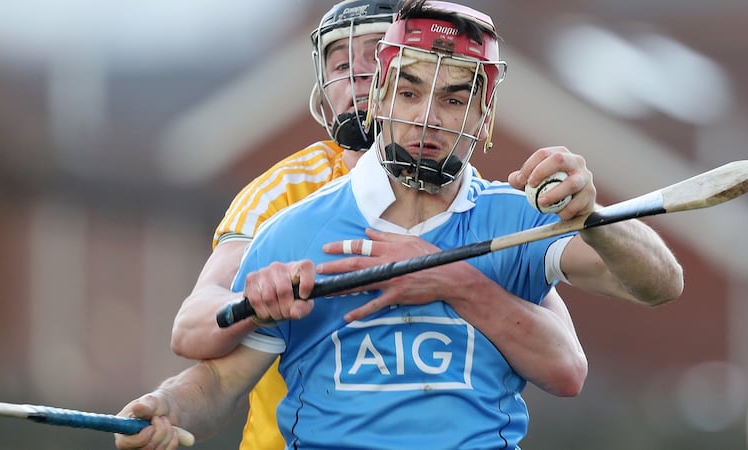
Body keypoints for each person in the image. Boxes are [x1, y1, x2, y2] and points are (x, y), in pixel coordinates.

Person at [115, 0, 687, 447]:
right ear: (379, 96)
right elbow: (216, 384)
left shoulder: (519, 218)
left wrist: (593, 217)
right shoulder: (292, 229)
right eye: (409, 92)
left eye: (454, 98)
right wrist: (164, 407)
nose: (427, 118)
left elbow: (661, 284)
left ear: (484, 114)